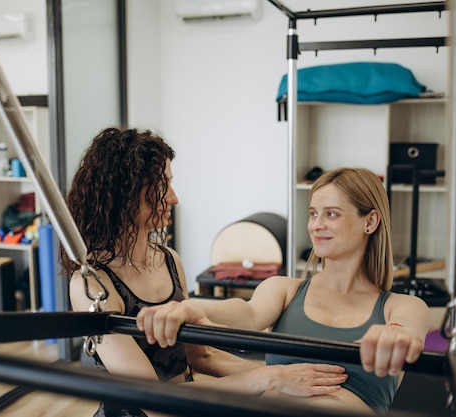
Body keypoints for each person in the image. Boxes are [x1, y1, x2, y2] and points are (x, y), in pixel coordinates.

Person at [59, 128, 349, 417]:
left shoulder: (169, 260)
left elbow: (201, 356)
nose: (173, 198)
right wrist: (270, 378)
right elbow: (152, 401)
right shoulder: (92, 285)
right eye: (162, 185)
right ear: (126, 193)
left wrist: (289, 375)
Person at [136, 167, 431, 415]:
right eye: (313, 213)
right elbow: (247, 312)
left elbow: (406, 330)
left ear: (370, 221)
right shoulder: (285, 290)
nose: (316, 225)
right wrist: (196, 307)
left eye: (331, 214)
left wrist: (395, 334)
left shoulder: (401, 306)